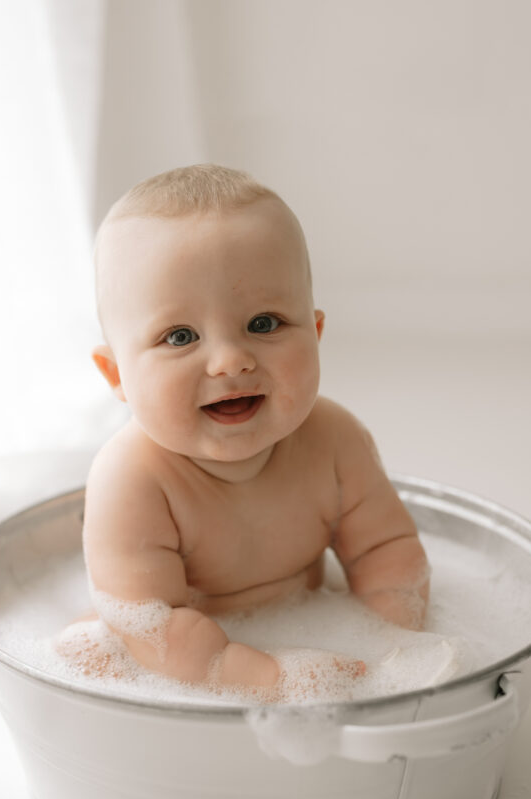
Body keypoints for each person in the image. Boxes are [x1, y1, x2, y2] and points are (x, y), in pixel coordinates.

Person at [76, 164, 430, 699]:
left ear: (314, 333)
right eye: (180, 335)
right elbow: (153, 631)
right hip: (184, 674)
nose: (230, 361)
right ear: (117, 375)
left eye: (263, 324)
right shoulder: (132, 479)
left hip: (303, 626)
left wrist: (392, 650)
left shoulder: (334, 438)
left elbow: (388, 552)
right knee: (92, 661)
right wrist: (274, 680)